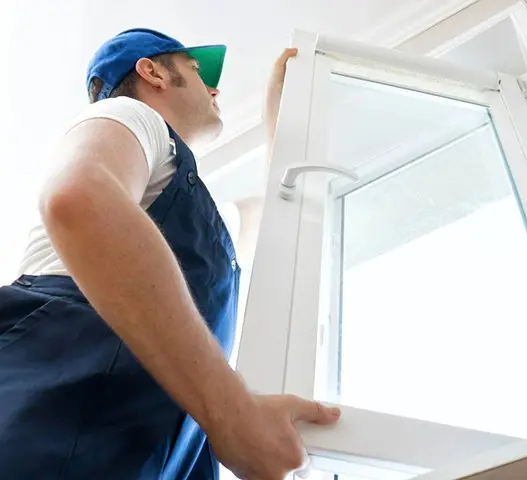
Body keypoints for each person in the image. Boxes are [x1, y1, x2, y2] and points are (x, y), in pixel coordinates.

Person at [0, 28, 340, 479]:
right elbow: (79, 198)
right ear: (153, 72)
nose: (215, 88)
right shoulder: (128, 115)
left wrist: (285, 114)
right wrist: (234, 415)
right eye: (199, 73)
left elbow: (280, 219)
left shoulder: (196, 218)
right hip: (47, 421)